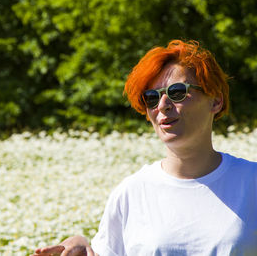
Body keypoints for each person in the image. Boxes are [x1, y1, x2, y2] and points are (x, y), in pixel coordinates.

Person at [31, 40, 257, 256]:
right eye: (151, 98)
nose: (162, 105)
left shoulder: (251, 182)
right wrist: (82, 247)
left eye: (177, 92)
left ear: (215, 100)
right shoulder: (131, 192)